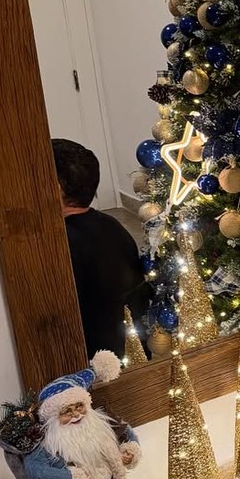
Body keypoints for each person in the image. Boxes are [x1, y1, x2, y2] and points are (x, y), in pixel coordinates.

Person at [52, 138, 150, 360]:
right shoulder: (110, 224)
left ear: (56, 189)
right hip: (132, 353)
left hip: (98, 367)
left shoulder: (61, 244)